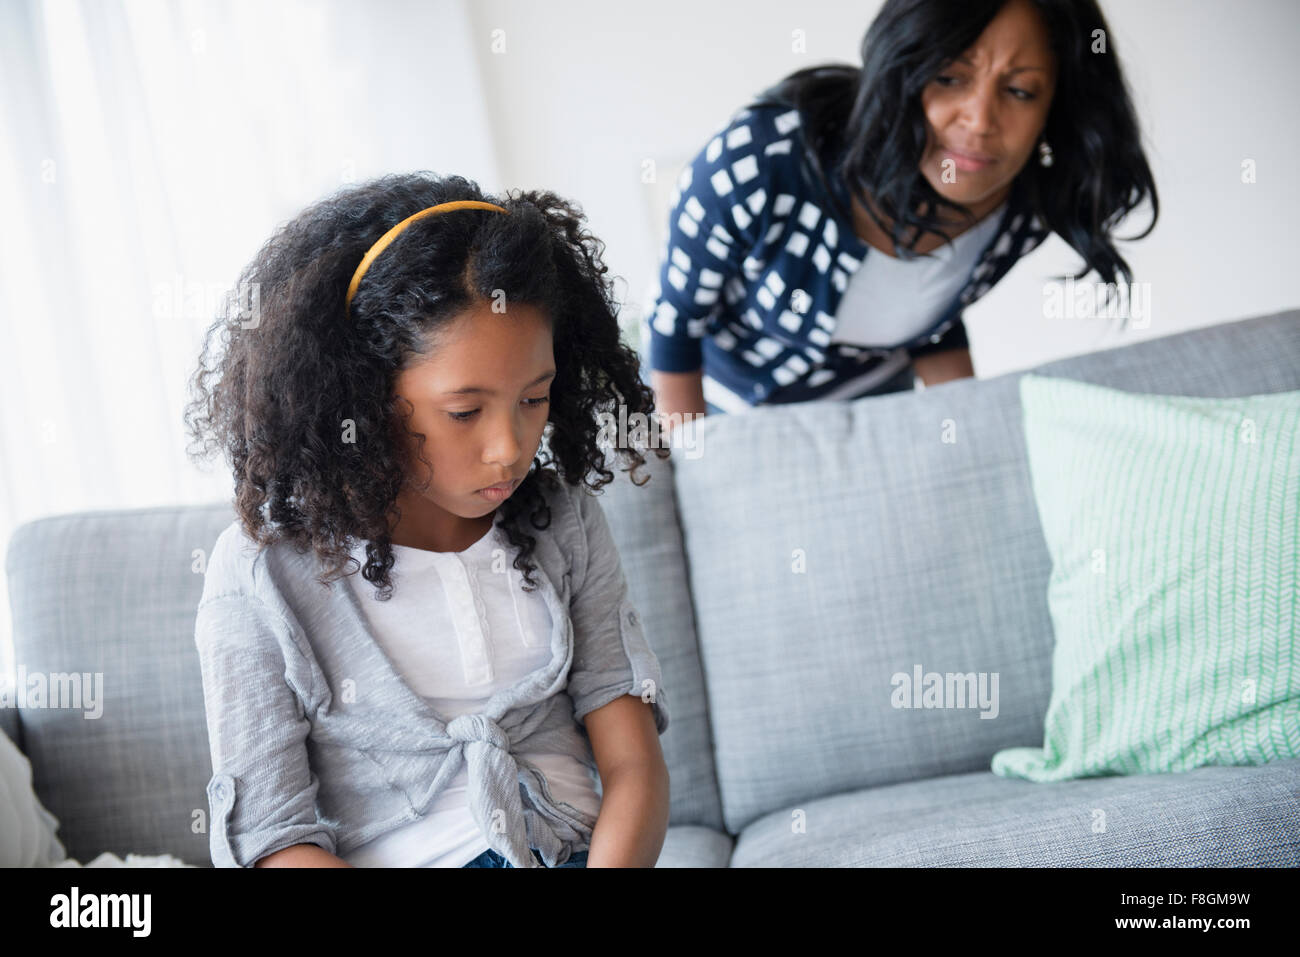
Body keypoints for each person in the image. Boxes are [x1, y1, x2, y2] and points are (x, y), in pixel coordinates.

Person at [183, 173, 672, 869]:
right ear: (364, 393)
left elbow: (634, 767)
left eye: (535, 397)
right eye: (465, 411)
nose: (509, 446)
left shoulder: (563, 520)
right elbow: (274, 840)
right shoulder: (261, 573)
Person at [646, 0, 1159, 420]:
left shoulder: (1025, 213)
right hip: (720, 407)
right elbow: (673, 325)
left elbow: (931, 321)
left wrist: (969, 434)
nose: (980, 120)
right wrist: (699, 465)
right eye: (951, 78)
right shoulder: (758, 161)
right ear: (901, 73)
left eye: (1020, 90)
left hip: (876, 414)